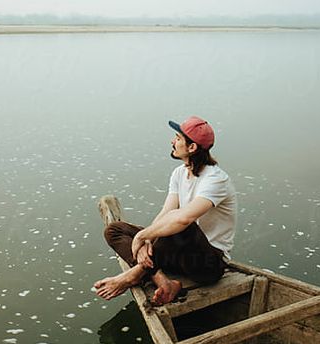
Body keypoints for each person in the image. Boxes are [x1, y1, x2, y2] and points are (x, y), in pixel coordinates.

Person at [94, 116, 237, 305]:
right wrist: (146, 240)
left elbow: (182, 219)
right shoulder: (179, 173)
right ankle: (163, 281)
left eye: (178, 138)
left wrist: (140, 237)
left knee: (181, 224)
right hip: (177, 256)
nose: (172, 141)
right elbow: (165, 212)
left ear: (192, 148)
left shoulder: (216, 180)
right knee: (114, 230)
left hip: (207, 264)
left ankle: (133, 276)